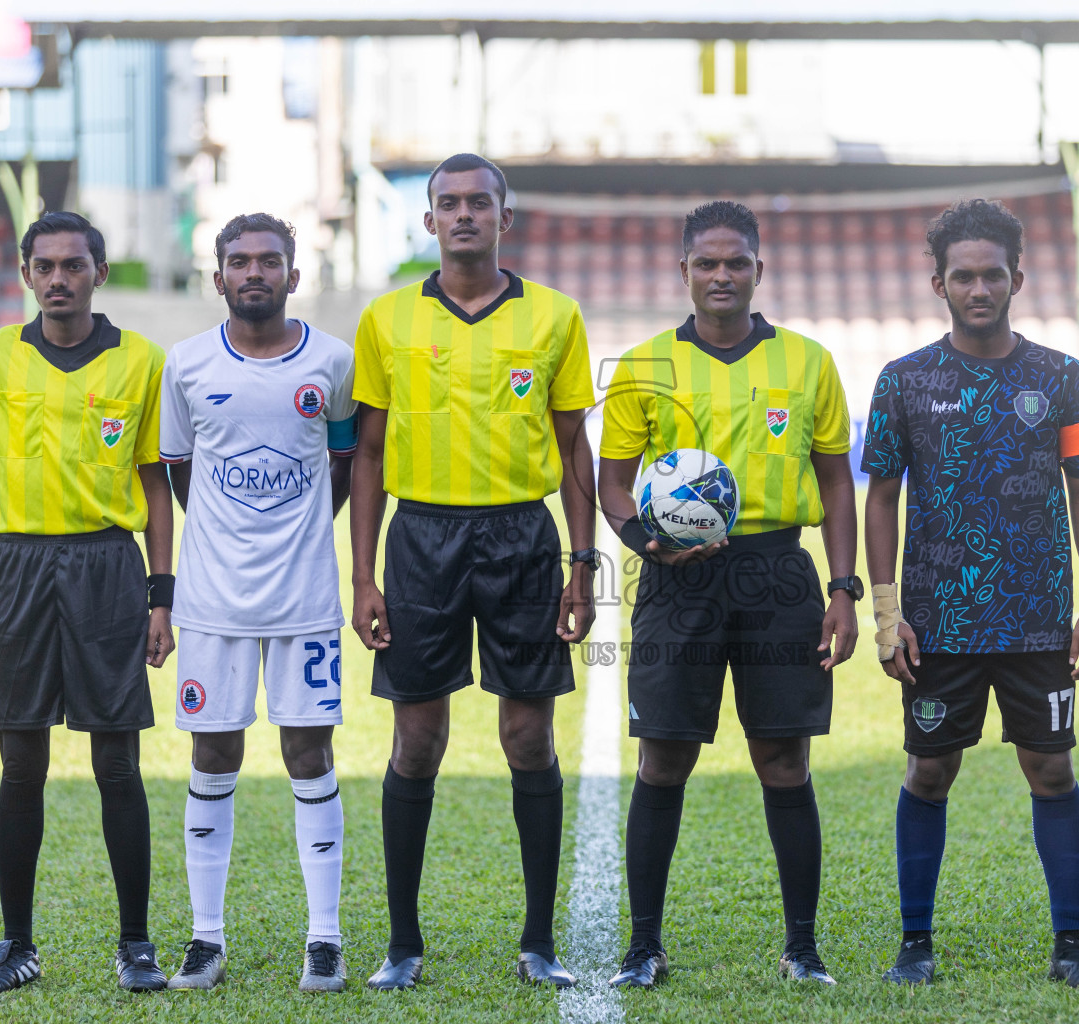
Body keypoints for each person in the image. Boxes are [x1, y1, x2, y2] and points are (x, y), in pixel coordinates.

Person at [348, 153, 597, 991]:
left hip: (521, 540)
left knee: (528, 735)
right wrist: (363, 577)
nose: (463, 216)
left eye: (478, 203)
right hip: (419, 540)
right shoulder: (385, 320)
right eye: (447, 204)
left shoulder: (555, 317)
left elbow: (572, 450)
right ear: (427, 221)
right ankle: (404, 945)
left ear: (504, 218)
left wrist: (581, 562)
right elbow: (370, 452)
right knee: (417, 740)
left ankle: (538, 942)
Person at [598, 200, 859, 989]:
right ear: (683, 271)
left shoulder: (809, 362)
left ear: (757, 269)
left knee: (784, 759)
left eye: (735, 262)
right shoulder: (644, 365)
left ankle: (802, 947)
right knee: (664, 756)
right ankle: (644, 946)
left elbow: (837, 483)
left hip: (779, 573)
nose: (721, 276)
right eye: (706, 263)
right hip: (680, 580)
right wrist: (642, 538)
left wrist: (844, 590)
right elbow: (612, 479)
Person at [861, 198, 1079, 990]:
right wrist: (887, 610)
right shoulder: (902, 381)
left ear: (1018, 278)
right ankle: (915, 944)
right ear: (939, 282)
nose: (979, 288)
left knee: (1052, 770)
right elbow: (879, 498)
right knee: (928, 774)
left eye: (992, 275)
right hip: (937, 623)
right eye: (963, 276)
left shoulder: (1061, 377)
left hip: (1038, 620)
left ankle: (1071, 947)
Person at [0, 211, 174, 994]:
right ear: (26, 274)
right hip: (15, 568)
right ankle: (16, 944)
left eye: (74, 265)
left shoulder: (142, 361)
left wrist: (160, 594)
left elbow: (155, 485)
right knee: (21, 765)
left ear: (99, 273)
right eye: (44, 266)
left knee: (117, 762)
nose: (59, 279)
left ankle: (135, 945)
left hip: (109, 566)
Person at [157, 214, 357, 992]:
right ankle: (206, 938)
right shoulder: (187, 364)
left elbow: (344, 462)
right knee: (214, 756)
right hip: (212, 604)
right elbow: (179, 470)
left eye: (268, 261)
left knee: (310, 756)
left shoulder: (332, 362)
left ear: (293, 276)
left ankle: (326, 938)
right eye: (237, 262)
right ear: (218, 279)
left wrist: (298, 530)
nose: (253, 273)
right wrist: (223, 539)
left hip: (304, 598)